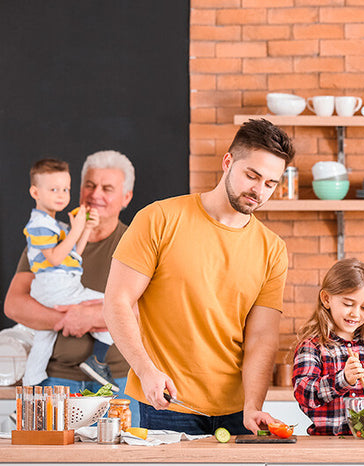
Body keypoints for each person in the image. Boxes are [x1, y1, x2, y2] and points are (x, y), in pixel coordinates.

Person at [103, 118, 293, 436]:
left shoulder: (272, 249)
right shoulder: (159, 219)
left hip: (237, 411)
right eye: (252, 175)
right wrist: (146, 371)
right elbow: (117, 302)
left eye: (271, 183)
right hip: (167, 403)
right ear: (228, 161)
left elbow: (262, 338)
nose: (259, 191)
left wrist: (253, 404)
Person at [4, 150, 140, 426]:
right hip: (56, 381)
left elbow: (151, 311)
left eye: (107, 188)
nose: (95, 194)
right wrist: (67, 319)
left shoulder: (136, 243)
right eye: (89, 185)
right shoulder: (50, 238)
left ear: (126, 197)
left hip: (119, 381)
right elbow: (15, 304)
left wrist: (91, 317)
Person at [21, 158, 115, 389]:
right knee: (112, 308)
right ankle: (97, 361)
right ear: (35, 191)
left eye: (66, 189)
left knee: (44, 339)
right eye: (54, 189)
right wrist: (76, 229)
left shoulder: (56, 225)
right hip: (55, 285)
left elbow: (73, 255)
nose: (62, 195)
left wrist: (85, 230)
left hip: (57, 284)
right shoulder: (38, 224)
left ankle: (31, 383)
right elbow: (54, 258)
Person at [291, 258, 364, 435]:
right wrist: (342, 380)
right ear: (326, 299)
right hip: (325, 444)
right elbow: (304, 394)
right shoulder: (312, 346)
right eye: (348, 304)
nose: (355, 313)